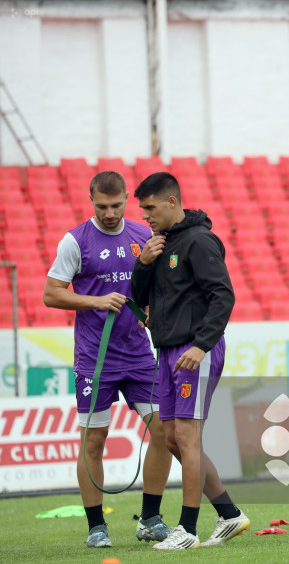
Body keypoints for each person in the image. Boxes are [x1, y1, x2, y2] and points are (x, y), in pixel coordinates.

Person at [43, 171, 173, 548]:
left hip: (139, 356)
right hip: (95, 360)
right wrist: (96, 301)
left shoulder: (143, 235)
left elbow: (155, 289)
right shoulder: (75, 240)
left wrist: (151, 314)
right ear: (91, 200)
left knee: (164, 431)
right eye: (102, 206)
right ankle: (96, 527)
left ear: (127, 199)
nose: (110, 213)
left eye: (117, 205)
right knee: (94, 440)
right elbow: (51, 294)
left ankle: (150, 519)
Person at [130, 172, 249, 550]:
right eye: (142, 209)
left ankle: (188, 530)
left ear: (171, 202)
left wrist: (201, 346)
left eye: (150, 208)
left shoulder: (199, 240)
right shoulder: (158, 244)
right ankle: (229, 514)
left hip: (194, 352)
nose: (145, 216)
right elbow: (137, 299)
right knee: (172, 439)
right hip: (167, 352)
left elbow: (223, 296)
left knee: (186, 436)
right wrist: (143, 263)